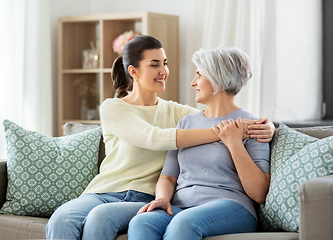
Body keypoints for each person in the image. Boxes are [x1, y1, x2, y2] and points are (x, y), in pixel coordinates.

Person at [46, 36, 274, 240]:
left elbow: (219, 116)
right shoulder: (115, 108)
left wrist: (269, 127)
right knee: (62, 219)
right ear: (133, 72)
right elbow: (155, 138)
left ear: (219, 80)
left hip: (148, 196)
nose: (164, 71)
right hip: (107, 192)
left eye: (165, 63)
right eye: (155, 64)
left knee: (103, 218)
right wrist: (227, 133)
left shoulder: (180, 114)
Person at [128, 47, 271, 240]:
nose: (193, 82)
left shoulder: (252, 126)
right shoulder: (186, 123)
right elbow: (168, 177)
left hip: (232, 206)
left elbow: (259, 193)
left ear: (218, 79)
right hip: (181, 207)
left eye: (199, 75)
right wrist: (162, 199)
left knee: (184, 223)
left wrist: (234, 143)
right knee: (141, 222)